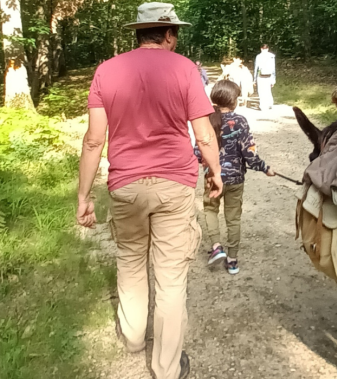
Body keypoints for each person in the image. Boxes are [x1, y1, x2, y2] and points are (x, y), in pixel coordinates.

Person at [75, 3, 223, 379]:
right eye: (176, 35)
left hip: (125, 185)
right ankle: (166, 368)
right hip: (174, 186)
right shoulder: (185, 69)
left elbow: (94, 141)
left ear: (138, 33)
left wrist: (84, 195)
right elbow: (203, 132)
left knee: (130, 262)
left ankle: (134, 337)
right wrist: (215, 171)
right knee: (171, 278)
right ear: (169, 34)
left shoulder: (106, 71)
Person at [196, 80, 275, 275]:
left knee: (210, 210)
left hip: (212, 179)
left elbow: (198, 152)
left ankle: (216, 247)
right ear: (233, 101)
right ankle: (232, 260)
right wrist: (265, 168)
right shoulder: (240, 121)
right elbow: (249, 153)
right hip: (236, 179)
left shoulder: (205, 120)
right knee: (233, 217)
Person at [253, 44, 276, 111]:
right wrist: (273, 79)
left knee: (261, 90)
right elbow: (273, 69)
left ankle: (263, 106)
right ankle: (270, 103)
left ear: (261, 49)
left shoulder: (259, 56)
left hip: (260, 76)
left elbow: (256, 68)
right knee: (268, 90)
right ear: (268, 49)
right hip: (269, 76)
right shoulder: (272, 56)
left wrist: (254, 79)